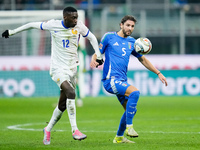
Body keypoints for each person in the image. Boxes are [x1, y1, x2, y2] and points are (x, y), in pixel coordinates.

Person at [2, 6, 103, 145]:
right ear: (65, 17)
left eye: (76, 17)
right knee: (71, 92)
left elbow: (91, 37)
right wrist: (12, 32)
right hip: (57, 69)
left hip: (72, 68)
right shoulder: (53, 25)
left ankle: (48, 129)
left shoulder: (79, 26)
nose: (76, 19)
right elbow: (32, 25)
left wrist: (98, 54)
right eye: (73, 17)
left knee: (62, 105)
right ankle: (75, 130)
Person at [90, 15, 168, 144]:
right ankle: (129, 128)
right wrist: (94, 59)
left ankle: (119, 138)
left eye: (132, 26)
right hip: (110, 80)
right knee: (135, 93)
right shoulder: (109, 37)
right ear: (121, 25)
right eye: (128, 25)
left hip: (121, 80)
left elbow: (142, 59)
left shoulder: (133, 42)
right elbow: (97, 52)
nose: (130, 28)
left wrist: (158, 73)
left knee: (131, 110)